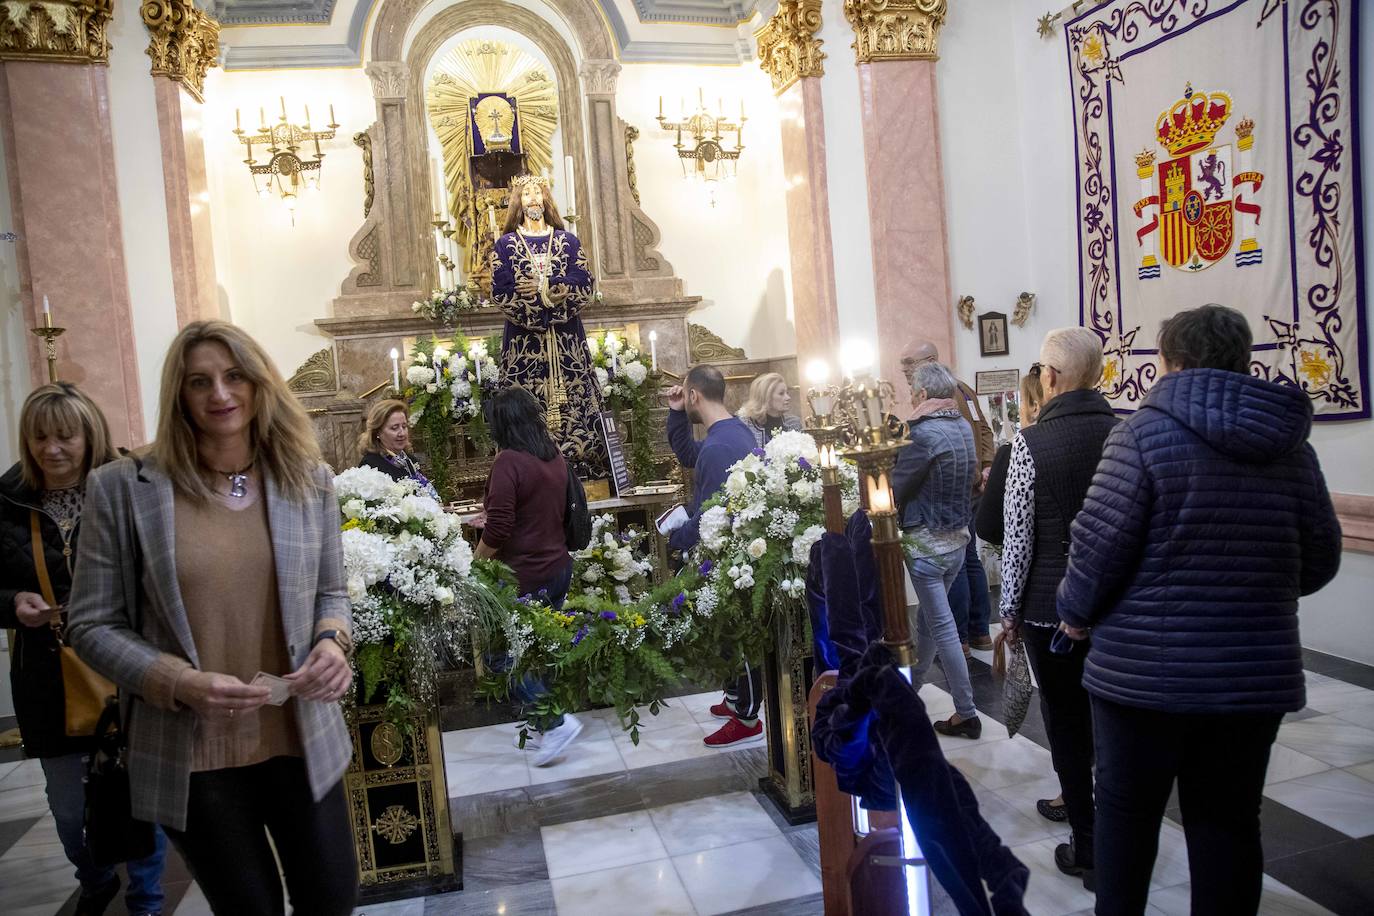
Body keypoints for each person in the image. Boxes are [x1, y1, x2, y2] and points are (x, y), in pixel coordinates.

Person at [1056, 305, 1341, 915]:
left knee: (1128, 817)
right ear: (1243, 358)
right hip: (1251, 678)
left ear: (1172, 360)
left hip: (1143, 678)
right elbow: (1319, 561)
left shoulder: (1143, 432)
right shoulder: (1291, 446)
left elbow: (1099, 546)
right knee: (1230, 824)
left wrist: (1074, 612)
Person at [66, 320, 358, 916]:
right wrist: (180, 682)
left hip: (299, 735)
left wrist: (332, 643)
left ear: (259, 384)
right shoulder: (125, 488)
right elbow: (90, 625)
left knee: (331, 899)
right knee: (250, 908)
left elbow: (330, 590)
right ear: (179, 394)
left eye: (233, 377)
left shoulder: (308, 480)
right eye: (199, 382)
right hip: (193, 750)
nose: (220, 394)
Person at [0, 384, 168, 916]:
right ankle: (93, 878)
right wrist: (13, 602)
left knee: (140, 795)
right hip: (46, 675)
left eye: (65, 436)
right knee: (69, 809)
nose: (53, 449)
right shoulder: (6, 502)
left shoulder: (128, 489)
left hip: (125, 665)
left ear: (88, 435)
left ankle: (147, 897)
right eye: (40, 437)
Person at [996, 328, 1118, 889]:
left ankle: (1088, 842)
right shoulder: (1125, 431)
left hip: (1051, 607)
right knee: (1111, 724)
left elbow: (1017, 537)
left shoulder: (1030, 443)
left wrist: (1009, 611)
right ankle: (1118, 836)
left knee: (1066, 726)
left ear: (1051, 377)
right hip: (1116, 610)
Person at [472, 385, 579, 766]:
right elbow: (534, 510)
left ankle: (554, 723)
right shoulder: (552, 457)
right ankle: (543, 722)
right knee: (538, 651)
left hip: (525, 574)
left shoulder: (509, 461)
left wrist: (477, 562)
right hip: (556, 567)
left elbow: (500, 528)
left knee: (503, 656)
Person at [665, 365, 760, 748]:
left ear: (695, 396)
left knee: (738, 634)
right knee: (728, 633)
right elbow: (690, 454)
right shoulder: (731, 431)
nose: (682, 398)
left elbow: (712, 515)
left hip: (731, 552)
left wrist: (677, 536)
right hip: (731, 550)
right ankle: (735, 697)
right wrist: (674, 414)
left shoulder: (722, 444)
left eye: (683, 395)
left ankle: (748, 718)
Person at [491, 174, 607, 477]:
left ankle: (582, 469)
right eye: (525, 193)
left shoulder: (567, 241)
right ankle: (527, 473)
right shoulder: (506, 245)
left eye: (537, 192)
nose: (532, 198)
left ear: (545, 200)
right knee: (525, 410)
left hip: (567, 343)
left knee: (578, 406)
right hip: (524, 348)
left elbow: (583, 283)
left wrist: (548, 287)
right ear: (518, 202)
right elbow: (501, 291)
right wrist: (542, 309)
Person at [892, 361, 981, 739]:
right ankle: (910, 690)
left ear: (923, 395)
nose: (911, 399)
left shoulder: (922, 433)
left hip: (927, 543)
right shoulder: (962, 425)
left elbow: (896, 488)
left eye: (912, 392)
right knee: (930, 621)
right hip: (958, 539)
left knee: (943, 627)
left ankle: (967, 712)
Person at [902, 340, 994, 654]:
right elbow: (982, 432)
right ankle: (978, 631)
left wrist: (985, 466)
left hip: (949, 494)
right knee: (969, 560)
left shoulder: (950, 395)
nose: (904, 370)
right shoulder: (959, 389)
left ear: (928, 361)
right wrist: (984, 465)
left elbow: (983, 430)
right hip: (965, 488)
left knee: (959, 563)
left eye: (908, 363)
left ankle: (964, 636)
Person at [356, 398, 438, 498]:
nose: (402, 433)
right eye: (394, 428)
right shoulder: (371, 465)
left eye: (404, 426)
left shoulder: (410, 460)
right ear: (377, 432)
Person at [737, 371, 802, 447]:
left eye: (787, 393)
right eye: (781, 393)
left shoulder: (794, 423)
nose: (788, 397)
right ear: (766, 397)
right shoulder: (747, 425)